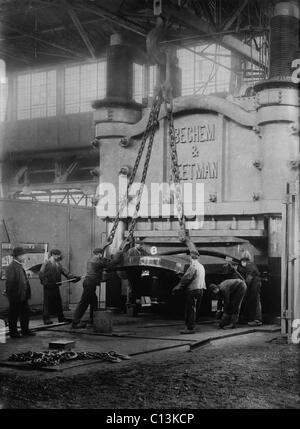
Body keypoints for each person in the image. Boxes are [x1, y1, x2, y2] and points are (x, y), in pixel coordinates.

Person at [72, 248, 123, 328]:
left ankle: (93, 319)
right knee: (84, 302)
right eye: (101, 254)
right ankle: (75, 322)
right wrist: (118, 256)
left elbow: (103, 263)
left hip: (88, 282)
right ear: (100, 254)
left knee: (94, 301)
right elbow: (109, 265)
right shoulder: (97, 261)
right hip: (90, 283)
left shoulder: (92, 259)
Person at [39, 249, 80, 325]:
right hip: (48, 286)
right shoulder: (46, 263)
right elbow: (41, 274)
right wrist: (46, 283)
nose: (59, 257)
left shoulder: (58, 264)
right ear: (53, 255)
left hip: (55, 285)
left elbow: (66, 273)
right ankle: (46, 319)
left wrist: (74, 278)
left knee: (58, 302)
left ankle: (61, 318)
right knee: (47, 303)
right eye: (58, 255)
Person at [172, 250, 206, 334]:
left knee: (191, 309)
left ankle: (190, 328)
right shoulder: (201, 266)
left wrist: (177, 287)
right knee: (195, 309)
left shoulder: (193, 266)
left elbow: (186, 278)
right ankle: (192, 325)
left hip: (193, 290)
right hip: (200, 290)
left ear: (191, 257)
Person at [5, 246, 35, 338]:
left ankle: (25, 330)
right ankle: (13, 333)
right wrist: (12, 296)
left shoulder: (19, 266)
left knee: (25, 314)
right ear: (18, 256)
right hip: (16, 296)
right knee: (13, 315)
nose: (24, 257)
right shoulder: (12, 267)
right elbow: (10, 283)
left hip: (23, 295)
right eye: (23, 255)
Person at [237, 251, 262, 326]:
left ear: (245, 260)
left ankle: (257, 320)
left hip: (255, 283)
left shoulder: (249, 265)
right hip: (255, 283)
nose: (242, 262)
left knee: (255, 301)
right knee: (254, 300)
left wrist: (243, 284)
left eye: (243, 260)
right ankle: (255, 319)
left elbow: (249, 278)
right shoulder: (250, 264)